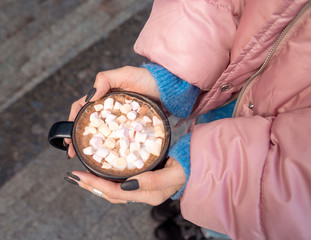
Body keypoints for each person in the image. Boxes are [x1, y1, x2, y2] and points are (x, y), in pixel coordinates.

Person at [63, 0, 311, 239]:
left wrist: (218, 176)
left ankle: (209, 230)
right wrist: (178, 74)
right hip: (229, 90)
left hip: (277, 180)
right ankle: (195, 213)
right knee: (203, 199)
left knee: (238, 219)